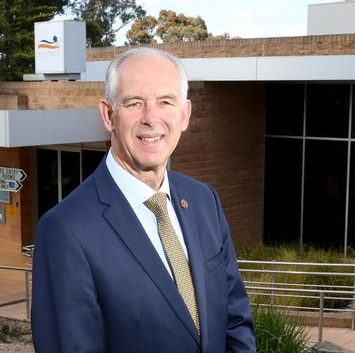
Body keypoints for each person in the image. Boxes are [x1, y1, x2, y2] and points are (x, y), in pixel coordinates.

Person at [31, 47, 255, 352]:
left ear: (185, 114)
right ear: (109, 115)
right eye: (135, 103)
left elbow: (236, 322)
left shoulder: (204, 201)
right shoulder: (65, 230)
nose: (152, 118)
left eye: (165, 102)